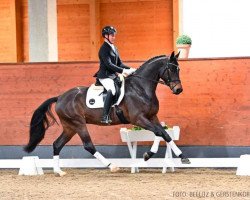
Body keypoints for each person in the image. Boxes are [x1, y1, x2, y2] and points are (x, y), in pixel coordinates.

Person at [94, 26, 136, 124]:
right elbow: (109, 64)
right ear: (106, 36)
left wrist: (131, 69)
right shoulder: (103, 49)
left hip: (113, 76)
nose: (114, 37)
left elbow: (119, 63)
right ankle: (105, 116)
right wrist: (123, 71)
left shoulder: (114, 48)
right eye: (112, 35)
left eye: (114, 35)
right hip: (105, 76)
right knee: (112, 90)